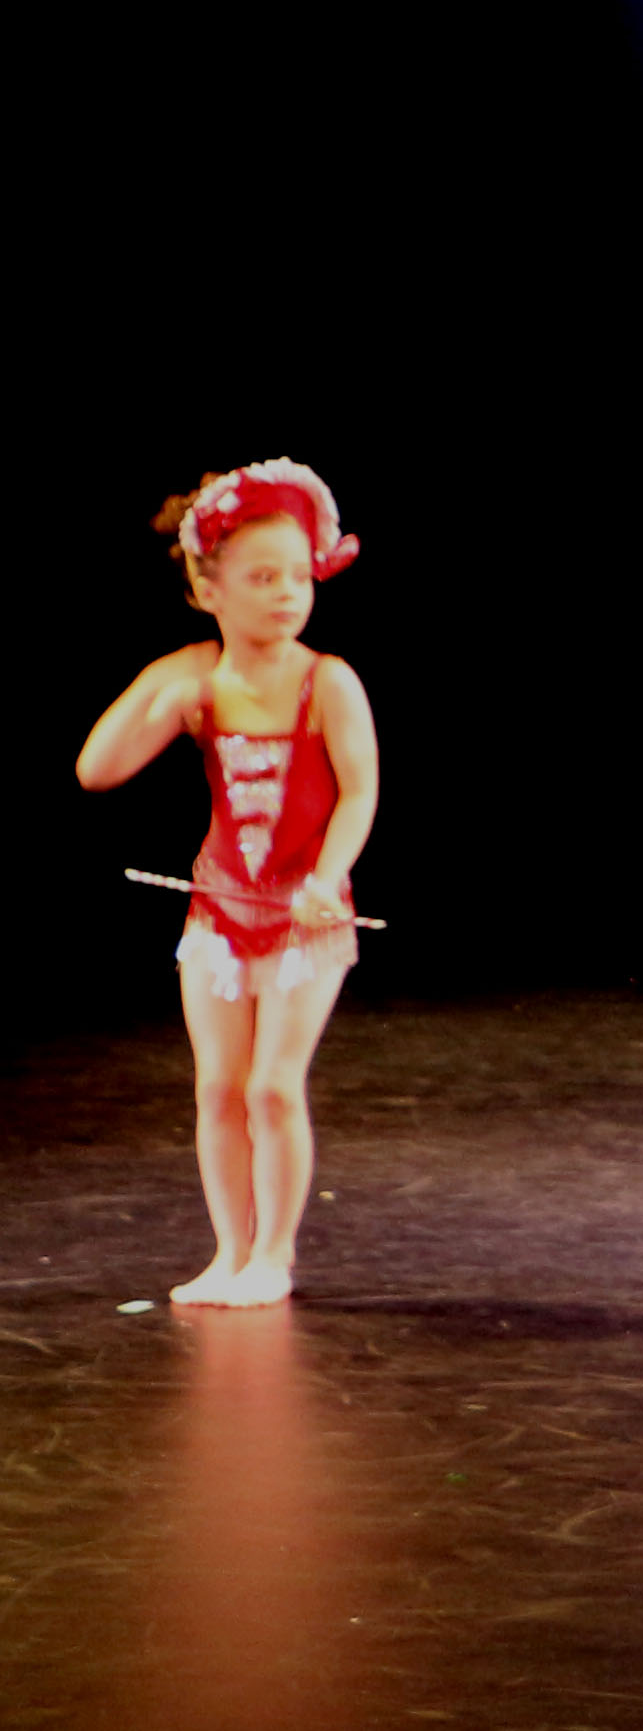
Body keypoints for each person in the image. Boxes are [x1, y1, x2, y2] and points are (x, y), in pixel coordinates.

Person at [73, 459, 382, 1308]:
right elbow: (97, 770)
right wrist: (165, 691)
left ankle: (274, 1256)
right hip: (219, 910)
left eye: (298, 576)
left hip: (306, 915)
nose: (287, 594)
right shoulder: (198, 678)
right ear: (208, 590)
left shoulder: (328, 681)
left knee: (272, 1087)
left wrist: (327, 879)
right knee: (216, 1088)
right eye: (262, 578)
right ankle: (229, 1253)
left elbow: (359, 792)